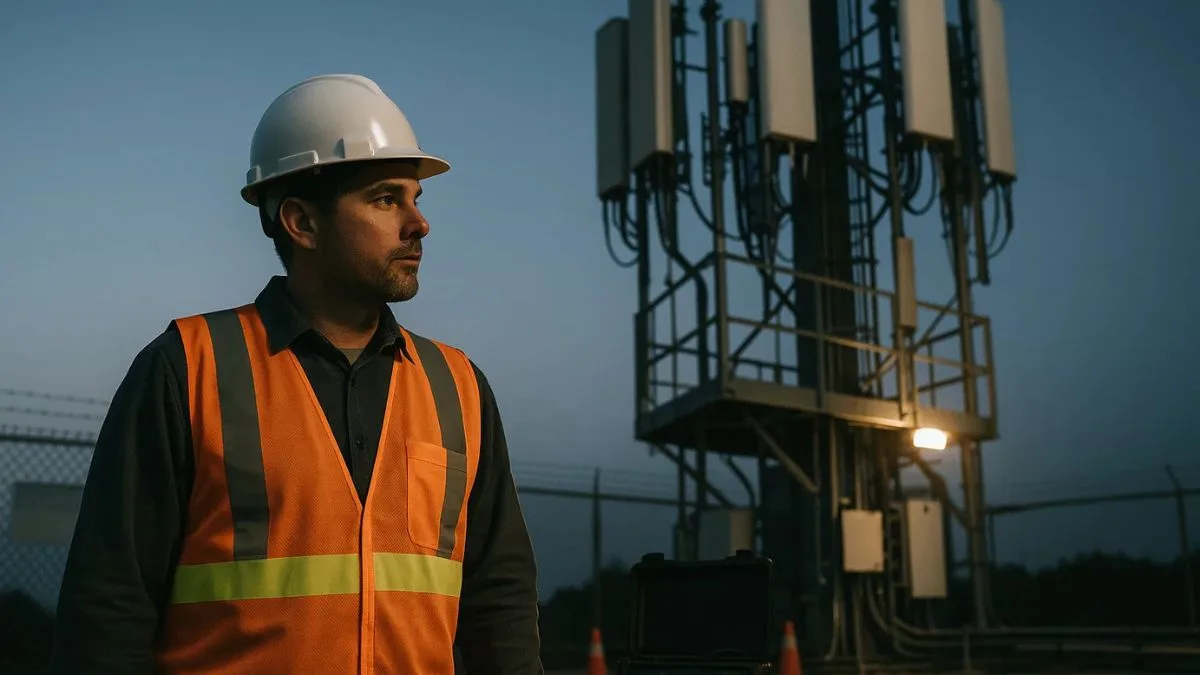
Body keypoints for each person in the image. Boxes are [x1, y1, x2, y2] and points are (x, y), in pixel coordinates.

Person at [50, 73, 543, 674]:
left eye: (417, 200)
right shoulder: (187, 366)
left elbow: (500, 602)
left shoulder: (458, 385)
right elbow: (108, 609)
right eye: (387, 199)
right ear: (301, 223)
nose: (419, 224)